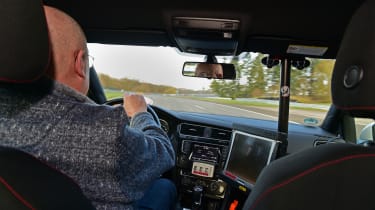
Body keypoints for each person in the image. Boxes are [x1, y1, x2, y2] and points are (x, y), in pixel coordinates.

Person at [0, 5, 176, 210]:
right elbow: (164, 154)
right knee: (165, 186)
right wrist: (139, 113)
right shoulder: (103, 133)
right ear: (79, 64)